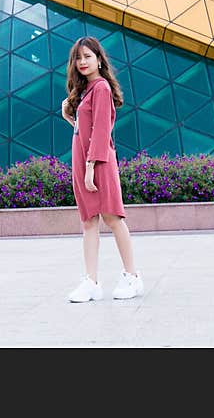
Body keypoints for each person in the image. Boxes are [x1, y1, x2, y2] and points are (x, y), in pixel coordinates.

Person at [60, 36, 144, 302]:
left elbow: (100, 132)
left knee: (112, 218)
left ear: (99, 59)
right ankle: (91, 282)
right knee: (88, 222)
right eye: (78, 58)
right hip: (83, 160)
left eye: (87, 56)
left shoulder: (101, 88)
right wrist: (69, 117)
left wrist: (90, 167)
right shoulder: (85, 91)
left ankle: (132, 276)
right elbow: (85, 129)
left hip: (98, 162)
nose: (82, 62)